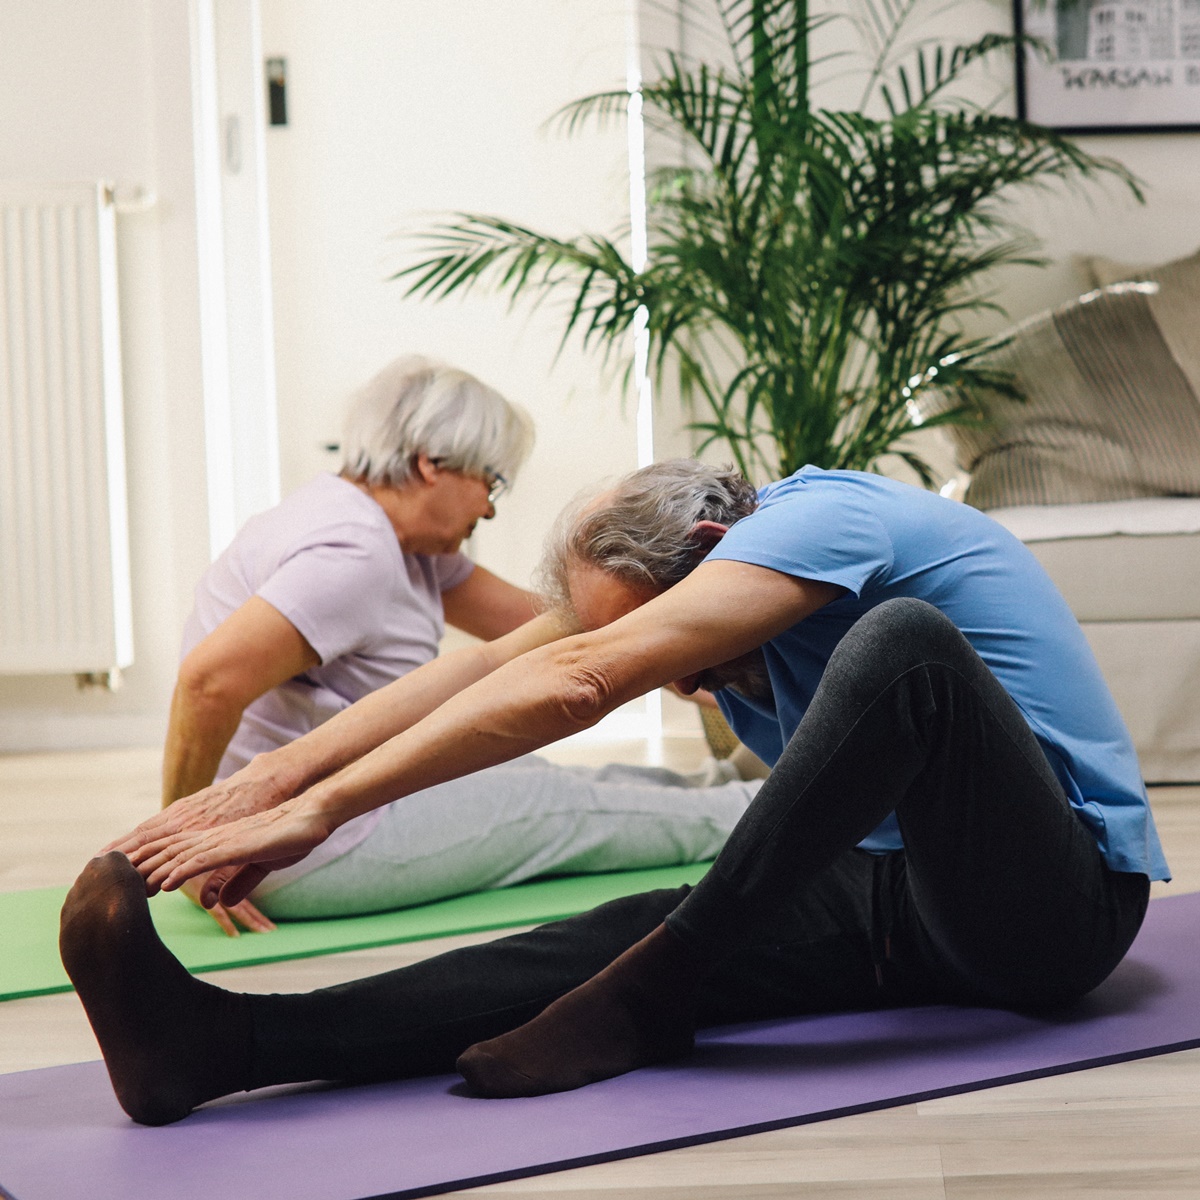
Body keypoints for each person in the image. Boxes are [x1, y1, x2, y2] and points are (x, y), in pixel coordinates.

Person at [60, 458, 1168, 1126]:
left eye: (656, 634)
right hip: (903, 903)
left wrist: (327, 815)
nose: (670, 676)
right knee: (597, 938)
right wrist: (276, 778)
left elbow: (583, 680)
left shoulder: (825, 521)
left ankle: (653, 997)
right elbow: (488, 667)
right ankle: (223, 1049)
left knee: (905, 649)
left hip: (1055, 917)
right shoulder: (709, 571)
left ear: (712, 546)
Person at [162, 358, 760, 935]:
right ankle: (774, 806)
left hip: (345, 805)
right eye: (489, 481)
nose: (491, 508)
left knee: (536, 771)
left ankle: (727, 778)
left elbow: (560, 625)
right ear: (431, 464)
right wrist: (190, 845)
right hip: (302, 850)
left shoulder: (396, 540)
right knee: (553, 804)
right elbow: (208, 682)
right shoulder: (351, 554)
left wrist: (691, 654)